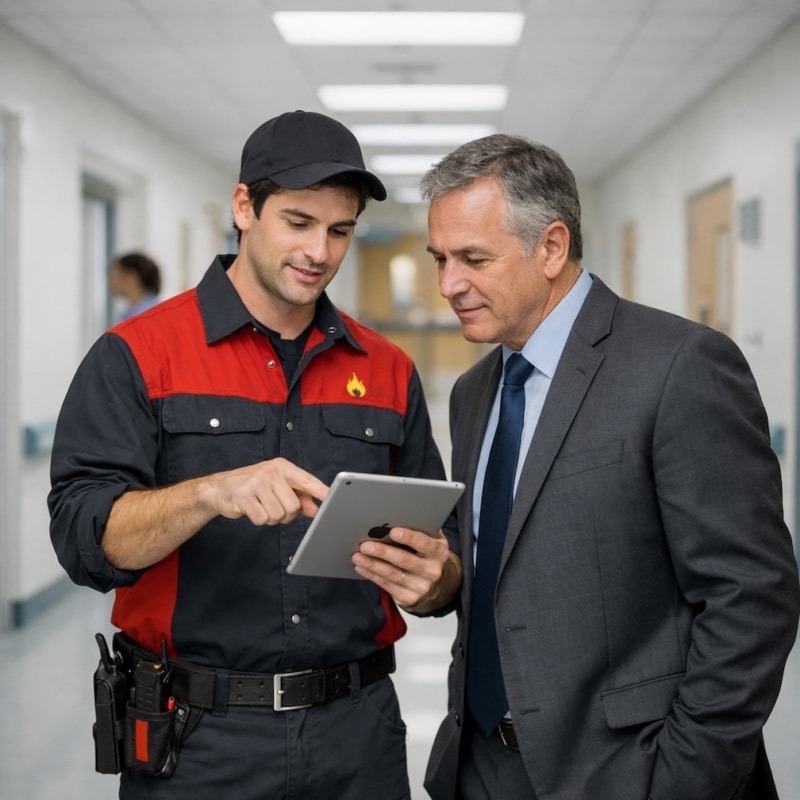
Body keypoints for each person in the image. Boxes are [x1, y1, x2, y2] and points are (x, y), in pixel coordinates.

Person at [357, 134, 800, 800]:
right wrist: (441, 586)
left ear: (553, 247)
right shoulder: (477, 393)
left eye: (473, 258)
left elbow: (752, 599)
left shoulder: (678, 366)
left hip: (625, 771)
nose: (448, 284)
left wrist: (680, 778)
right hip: (480, 766)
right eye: (440, 258)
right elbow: (509, 576)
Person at [48, 110, 453, 800]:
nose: (320, 251)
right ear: (244, 208)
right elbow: (84, 540)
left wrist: (438, 582)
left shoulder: (386, 369)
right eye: (298, 222)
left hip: (358, 734)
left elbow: (438, 567)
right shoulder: (138, 355)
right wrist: (207, 493)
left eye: (340, 231)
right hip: (198, 742)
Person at [108, 251, 162, 321]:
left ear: (131, 277)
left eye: (113, 277)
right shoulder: (129, 313)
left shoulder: (150, 314)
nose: (109, 283)